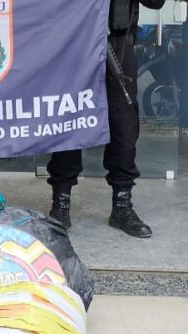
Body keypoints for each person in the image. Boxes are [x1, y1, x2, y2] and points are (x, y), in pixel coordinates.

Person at [47, 0, 164, 238]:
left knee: (123, 127)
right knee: (69, 121)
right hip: (74, 45)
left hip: (119, 46)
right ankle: (60, 203)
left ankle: (122, 205)